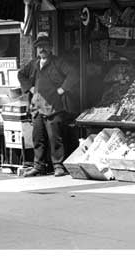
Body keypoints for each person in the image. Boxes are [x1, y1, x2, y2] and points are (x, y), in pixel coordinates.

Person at [18, 31, 79, 177]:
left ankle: (58, 166)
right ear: (36, 49)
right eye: (39, 47)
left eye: (44, 46)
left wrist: (62, 89)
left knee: (55, 138)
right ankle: (38, 166)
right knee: (37, 138)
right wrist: (30, 88)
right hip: (37, 108)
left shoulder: (58, 62)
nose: (42, 49)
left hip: (53, 108)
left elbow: (74, 74)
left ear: (50, 47)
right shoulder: (33, 64)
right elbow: (21, 74)